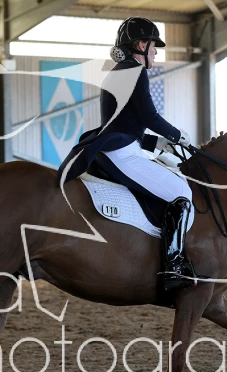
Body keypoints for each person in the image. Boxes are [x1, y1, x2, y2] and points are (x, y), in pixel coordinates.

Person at [57, 16, 196, 291]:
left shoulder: (119, 71)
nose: (156, 53)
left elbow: (123, 124)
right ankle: (174, 264)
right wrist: (177, 135)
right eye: (154, 46)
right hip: (122, 153)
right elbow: (149, 116)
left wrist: (156, 143)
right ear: (141, 45)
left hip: (116, 147)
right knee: (181, 192)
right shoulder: (135, 71)